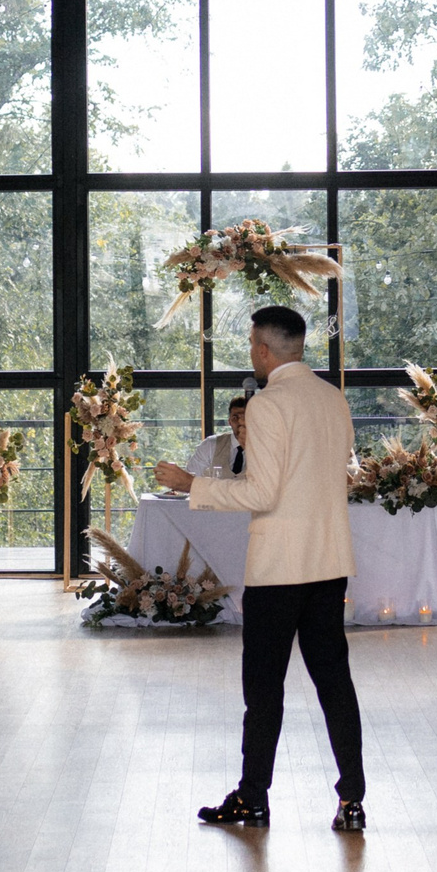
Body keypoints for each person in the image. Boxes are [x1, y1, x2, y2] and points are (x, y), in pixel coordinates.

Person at [152, 307, 366, 832]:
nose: (252, 353)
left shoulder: (267, 404)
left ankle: (252, 799)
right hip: (328, 561)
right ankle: (352, 800)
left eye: (252, 345)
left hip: (278, 569)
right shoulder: (333, 399)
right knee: (335, 683)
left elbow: (262, 493)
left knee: (264, 690)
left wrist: (191, 485)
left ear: (264, 350)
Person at [187, 396, 253, 477]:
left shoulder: (263, 448)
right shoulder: (210, 445)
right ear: (229, 422)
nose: (240, 422)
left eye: (245, 417)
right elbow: (191, 478)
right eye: (235, 418)